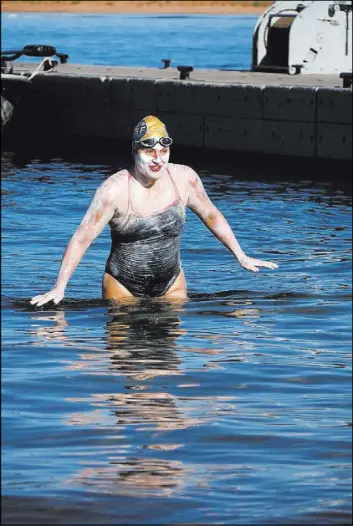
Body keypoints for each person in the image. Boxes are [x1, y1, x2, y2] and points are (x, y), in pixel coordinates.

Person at [30, 115, 278, 307]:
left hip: (171, 283)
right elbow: (82, 238)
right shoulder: (114, 191)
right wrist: (59, 287)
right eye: (149, 152)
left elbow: (211, 215)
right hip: (123, 285)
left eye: (164, 152)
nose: (158, 159)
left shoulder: (184, 179)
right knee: (125, 366)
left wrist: (240, 255)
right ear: (135, 152)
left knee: (170, 367)